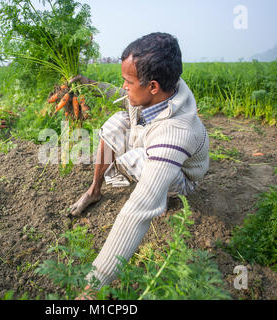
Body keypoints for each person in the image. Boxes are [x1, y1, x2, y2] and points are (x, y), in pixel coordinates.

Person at [69, 32, 210, 299]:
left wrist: (93, 287)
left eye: (127, 81)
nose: (123, 86)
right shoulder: (160, 91)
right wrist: (91, 84)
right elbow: (123, 96)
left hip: (182, 178)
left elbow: (137, 211)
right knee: (115, 122)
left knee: (137, 162)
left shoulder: (176, 132)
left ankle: (163, 197)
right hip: (147, 139)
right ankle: (94, 190)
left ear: (153, 86)